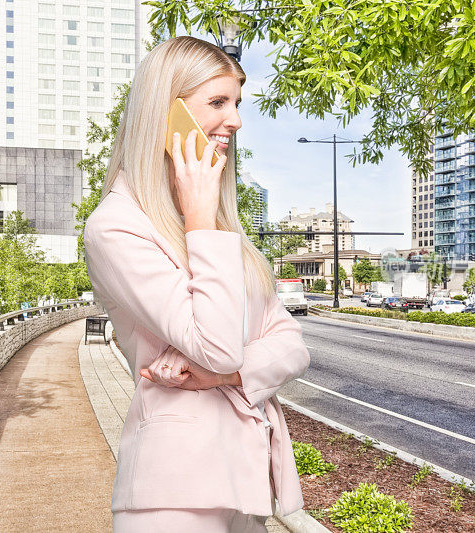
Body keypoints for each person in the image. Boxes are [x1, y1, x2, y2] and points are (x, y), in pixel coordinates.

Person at [84, 36, 310, 532]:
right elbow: (219, 345)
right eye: (217, 102)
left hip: (244, 479)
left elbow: (291, 343)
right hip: (174, 490)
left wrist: (230, 377)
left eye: (237, 103)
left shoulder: (217, 223)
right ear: (165, 112)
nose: (235, 120)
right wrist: (200, 218)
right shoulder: (117, 226)